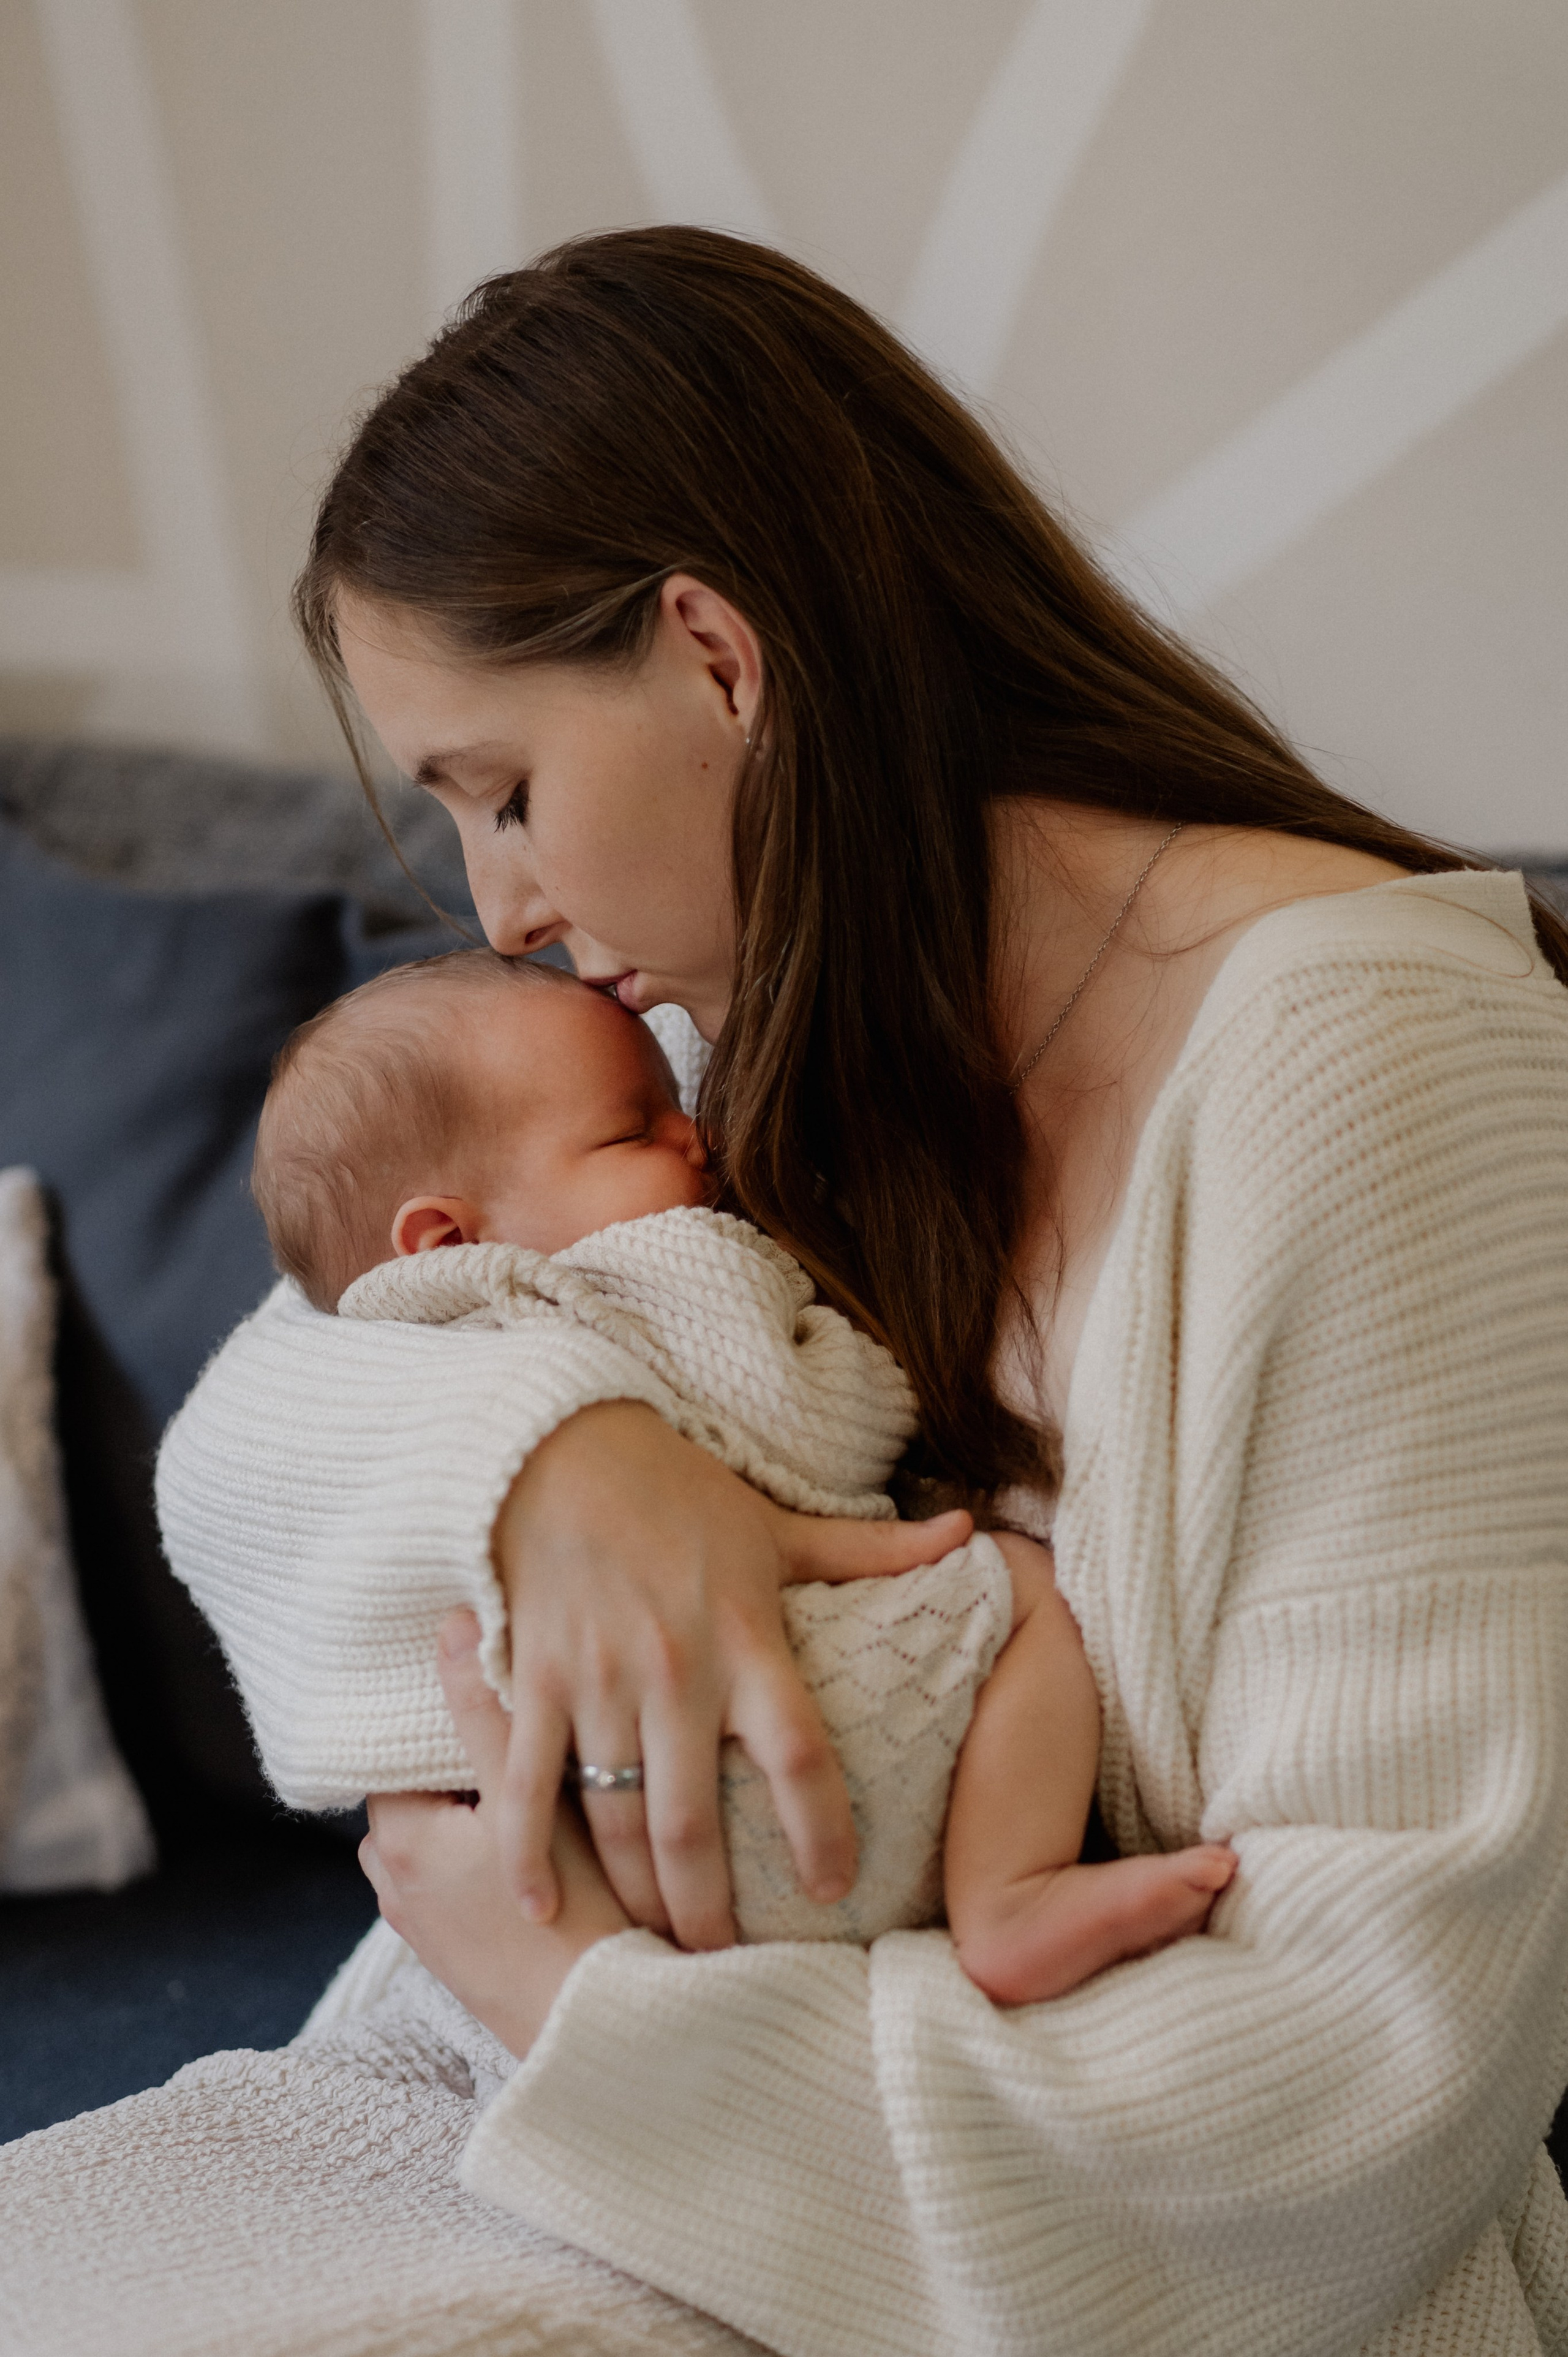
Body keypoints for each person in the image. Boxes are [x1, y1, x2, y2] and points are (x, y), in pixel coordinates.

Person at [145, 224, 1568, 2356]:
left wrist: (584, 2020)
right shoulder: (752, 1043)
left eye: (507, 790)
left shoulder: (1375, 1068)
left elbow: (1363, 2090)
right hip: (538, 2114)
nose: (501, 907)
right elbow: (253, 1431)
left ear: (721, 654)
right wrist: (568, 1463)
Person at [236, 943, 1237, 1999]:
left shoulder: (383, 1349)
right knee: (1023, 1586)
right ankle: (1010, 1894)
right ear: (444, 1237)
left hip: (551, 1845)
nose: (698, 1136)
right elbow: (815, 1429)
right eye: (638, 1129)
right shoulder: (644, 1272)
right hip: (775, 1742)